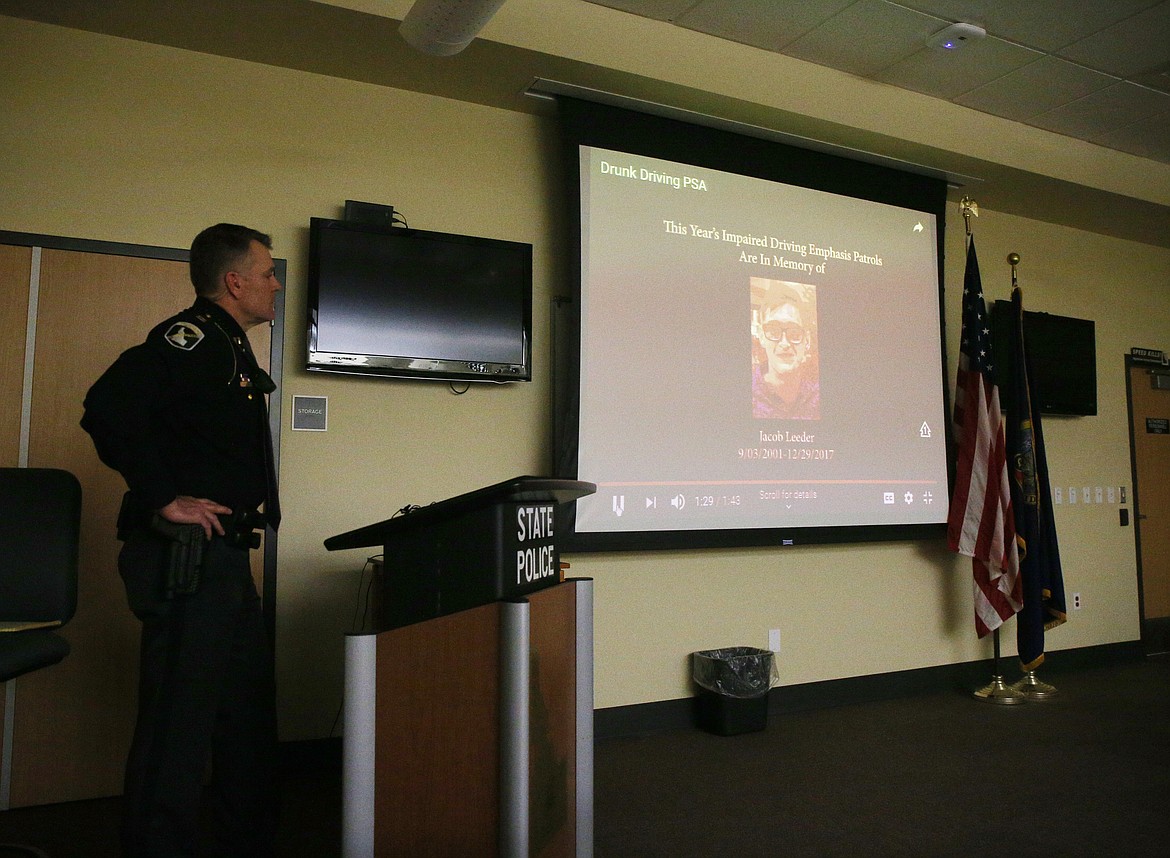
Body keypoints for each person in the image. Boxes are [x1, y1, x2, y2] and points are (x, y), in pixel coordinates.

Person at [81, 223, 283, 857]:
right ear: (235, 281)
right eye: (269, 272)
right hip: (187, 561)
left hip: (223, 559)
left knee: (241, 716)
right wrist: (162, 496)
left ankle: (243, 840)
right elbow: (108, 405)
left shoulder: (230, 346)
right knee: (179, 724)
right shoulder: (191, 338)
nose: (276, 285)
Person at [751, 282, 820, 419]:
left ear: (807, 340)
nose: (784, 343)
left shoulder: (818, 396)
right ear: (761, 335)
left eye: (794, 333)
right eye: (773, 331)